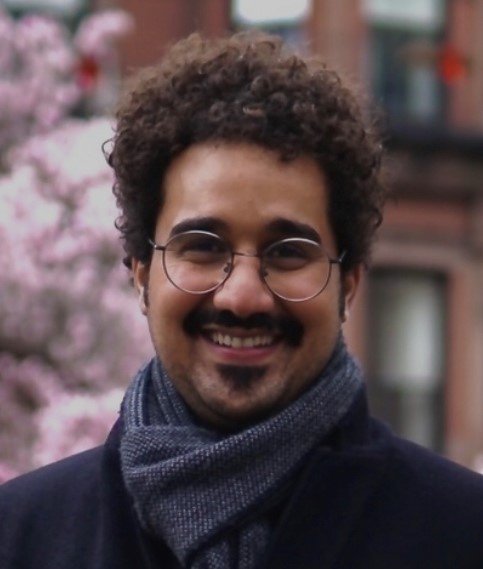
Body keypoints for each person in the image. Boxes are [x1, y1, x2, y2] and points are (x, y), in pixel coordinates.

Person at [1, 31, 483, 569]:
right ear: (141, 275)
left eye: (288, 252)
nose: (243, 296)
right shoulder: (20, 537)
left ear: (348, 284)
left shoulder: (464, 533)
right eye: (203, 247)